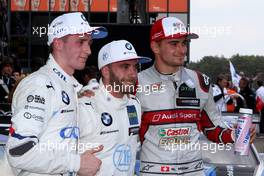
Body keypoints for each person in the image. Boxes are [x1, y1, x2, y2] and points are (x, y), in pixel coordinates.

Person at [137, 17, 256, 175]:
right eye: (174, 43)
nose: (182, 50)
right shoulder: (136, 83)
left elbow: (212, 127)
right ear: (155, 46)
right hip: (154, 171)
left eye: (184, 43)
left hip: (194, 171)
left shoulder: (200, 81)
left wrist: (234, 135)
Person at [6, 12, 108, 176]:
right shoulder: (40, 84)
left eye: (89, 43)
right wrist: (76, 163)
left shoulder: (74, 87)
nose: (88, 50)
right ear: (58, 44)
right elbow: (18, 152)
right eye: (81, 42)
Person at [78, 40, 151, 175]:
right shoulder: (84, 105)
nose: (133, 74)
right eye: (125, 66)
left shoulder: (134, 104)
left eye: (135, 67)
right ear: (105, 71)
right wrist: (75, 166)